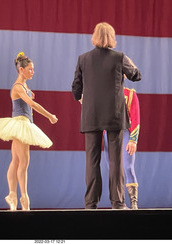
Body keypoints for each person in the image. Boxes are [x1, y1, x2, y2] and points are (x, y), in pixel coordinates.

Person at [72, 22, 141, 209]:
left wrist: (81, 98)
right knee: (116, 160)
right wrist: (132, 66)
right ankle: (118, 203)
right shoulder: (120, 58)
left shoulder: (83, 58)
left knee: (92, 160)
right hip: (114, 116)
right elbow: (136, 75)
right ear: (112, 38)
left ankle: (90, 204)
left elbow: (75, 88)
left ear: (94, 36)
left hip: (91, 115)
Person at [0, 52, 58, 211]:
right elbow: (32, 104)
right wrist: (49, 116)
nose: (33, 72)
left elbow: (28, 100)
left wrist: (29, 93)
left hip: (23, 123)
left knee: (17, 161)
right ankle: (24, 197)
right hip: (20, 124)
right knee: (23, 161)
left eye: (33, 69)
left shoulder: (24, 87)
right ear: (21, 70)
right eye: (30, 69)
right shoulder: (18, 87)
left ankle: (12, 195)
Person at [103, 86, 140, 209]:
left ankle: (134, 204)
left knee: (128, 167)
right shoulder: (103, 92)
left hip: (124, 133)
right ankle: (118, 203)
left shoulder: (129, 94)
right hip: (108, 134)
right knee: (113, 170)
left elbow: (135, 118)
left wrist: (133, 140)